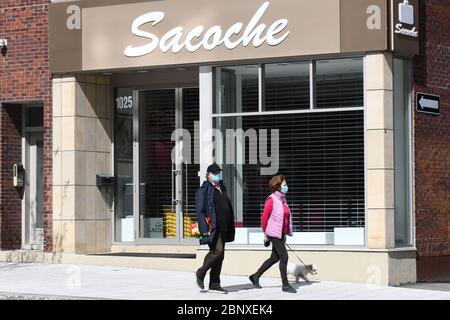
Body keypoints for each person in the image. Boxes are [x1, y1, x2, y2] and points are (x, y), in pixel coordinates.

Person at [249, 175, 297, 293]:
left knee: (274, 258)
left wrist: (285, 233)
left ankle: (255, 276)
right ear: (278, 186)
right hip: (273, 233)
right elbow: (264, 218)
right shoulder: (272, 199)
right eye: (284, 185)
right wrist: (266, 234)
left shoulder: (282, 199)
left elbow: (285, 218)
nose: (286, 187)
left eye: (286, 185)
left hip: (280, 233)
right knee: (284, 256)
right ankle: (285, 285)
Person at [195, 163, 235, 294]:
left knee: (220, 255)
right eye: (215, 173)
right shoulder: (204, 189)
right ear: (208, 175)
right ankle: (201, 273)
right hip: (212, 227)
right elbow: (200, 211)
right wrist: (204, 230)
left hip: (223, 226)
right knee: (217, 252)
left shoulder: (222, 188)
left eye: (219, 172)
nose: (217, 175)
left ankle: (214, 284)